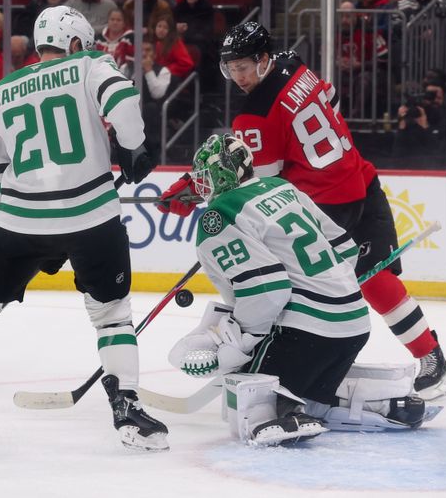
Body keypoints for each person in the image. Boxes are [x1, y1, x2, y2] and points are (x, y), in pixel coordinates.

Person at [157, 22, 446, 401]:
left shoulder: (253, 117)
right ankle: (432, 359)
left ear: (264, 60)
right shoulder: (295, 65)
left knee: (291, 287)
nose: (239, 77)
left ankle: (290, 361)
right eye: (231, 69)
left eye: (245, 67)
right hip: (359, 179)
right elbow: (329, 101)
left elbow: (250, 184)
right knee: (374, 280)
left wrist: (194, 188)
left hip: (325, 207)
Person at [0, 5, 162, 457]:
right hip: (94, 216)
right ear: (75, 43)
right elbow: (123, 101)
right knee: (112, 315)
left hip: (20, 222)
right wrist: (133, 150)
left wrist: (23, 214)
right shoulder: (90, 65)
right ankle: (128, 407)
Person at [168, 134, 429, 446]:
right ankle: (380, 402)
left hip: (306, 333)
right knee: (311, 392)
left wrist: (242, 338)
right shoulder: (282, 187)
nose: (202, 186)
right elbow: (345, 249)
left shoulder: (219, 214)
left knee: (245, 397)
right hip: (355, 326)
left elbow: (267, 290)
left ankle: (284, 409)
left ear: (221, 175)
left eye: (204, 177)